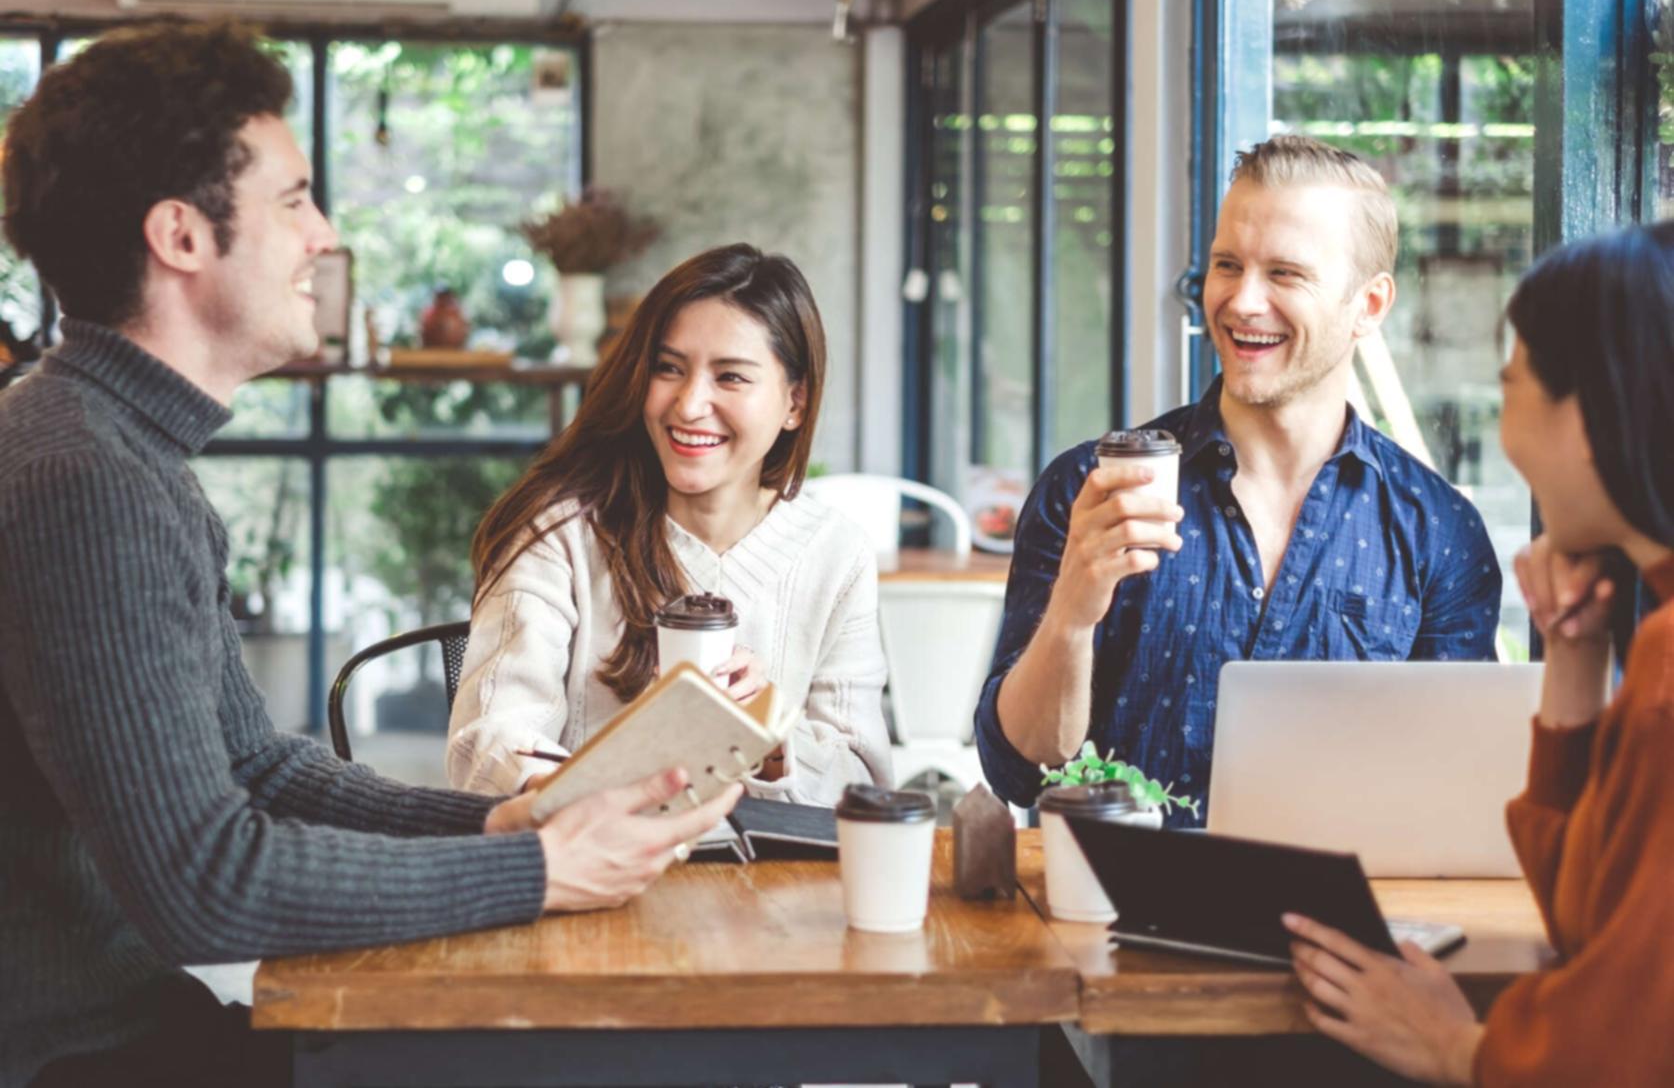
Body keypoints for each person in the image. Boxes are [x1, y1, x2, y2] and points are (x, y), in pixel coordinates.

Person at [0, 23, 738, 1087]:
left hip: (124, 1025)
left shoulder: (119, 449)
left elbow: (257, 767)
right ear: (181, 236)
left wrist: (502, 818)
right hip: (75, 1054)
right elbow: (201, 882)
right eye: (294, 200)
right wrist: (539, 869)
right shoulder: (86, 479)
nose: (325, 236)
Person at [975, 135, 1501, 821]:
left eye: (1285, 274)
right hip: (1113, 917)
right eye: (1228, 265)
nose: (1243, 301)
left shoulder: (1439, 533)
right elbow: (1022, 771)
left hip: (1329, 916)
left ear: (1369, 306)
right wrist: (1072, 615)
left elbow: (1459, 793)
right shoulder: (1090, 487)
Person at [1284, 223, 1674, 1085]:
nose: (1504, 435)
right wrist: (1575, 654)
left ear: (1593, 416)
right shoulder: (1648, 646)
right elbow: (1592, 920)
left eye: (1512, 389)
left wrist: (1455, 1046)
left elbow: (1631, 1042)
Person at [446, 244, 893, 805]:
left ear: (795, 403)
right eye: (669, 369)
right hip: (587, 871)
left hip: (768, 886)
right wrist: (622, 771)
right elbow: (486, 743)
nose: (687, 405)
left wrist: (771, 738)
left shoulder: (837, 552)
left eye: (730, 377)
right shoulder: (560, 537)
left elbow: (863, 782)